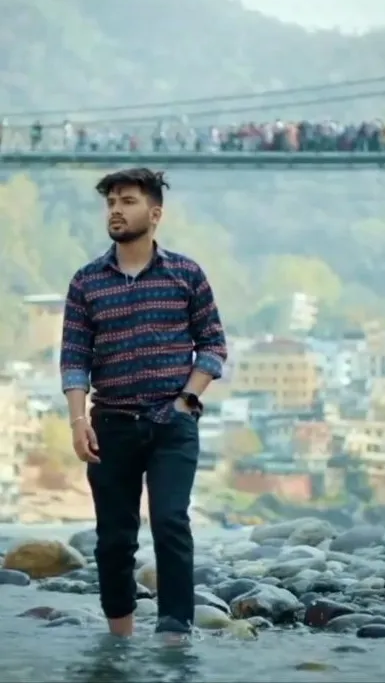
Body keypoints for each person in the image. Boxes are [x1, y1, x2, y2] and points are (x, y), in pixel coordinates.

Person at [60, 168, 227, 640]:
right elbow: (74, 356)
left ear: (154, 214)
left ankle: (175, 638)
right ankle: (120, 644)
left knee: (171, 521)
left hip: (171, 424)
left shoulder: (186, 274)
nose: (115, 209)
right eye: (111, 201)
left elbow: (213, 344)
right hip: (109, 424)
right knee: (114, 539)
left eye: (127, 201)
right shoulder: (86, 281)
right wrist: (77, 420)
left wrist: (187, 399)